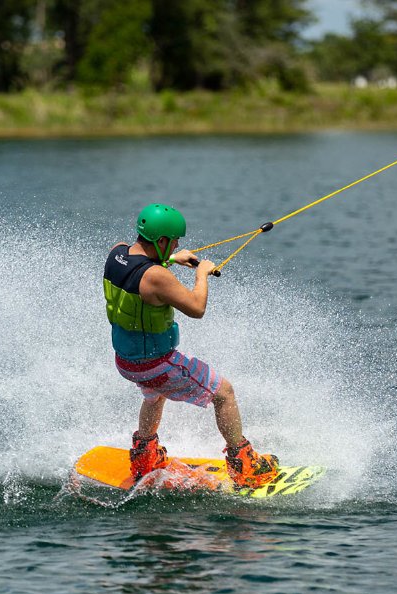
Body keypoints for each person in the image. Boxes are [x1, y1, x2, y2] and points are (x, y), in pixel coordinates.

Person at [103, 203, 279, 489]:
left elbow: (140, 272)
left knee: (154, 394)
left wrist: (171, 258)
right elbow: (196, 308)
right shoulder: (157, 277)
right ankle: (245, 465)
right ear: (161, 240)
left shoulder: (117, 252)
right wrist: (202, 274)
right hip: (157, 363)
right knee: (224, 393)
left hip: (127, 361)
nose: (177, 244)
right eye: (174, 241)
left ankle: (144, 457)